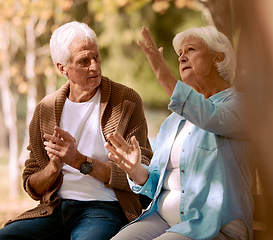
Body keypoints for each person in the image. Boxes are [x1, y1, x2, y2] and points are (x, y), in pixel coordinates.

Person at [0, 21, 152, 240]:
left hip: (105, 209)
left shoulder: (126, 101)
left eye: (96, 57)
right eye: (84, 61)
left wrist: (80, 161)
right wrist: (53, 168)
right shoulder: (45, 109)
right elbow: (32, 184)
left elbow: (143, 171)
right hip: (53, 210)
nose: (95, 66)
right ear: (62, 68)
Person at [105, 26, 254, 240]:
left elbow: (210, 117)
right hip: (162, 219)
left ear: (217, 57)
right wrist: (135, 170)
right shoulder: (173, 121)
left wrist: (161, 73)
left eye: (190, 49)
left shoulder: (240, 106)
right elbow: (156, 182)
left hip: (213, 225)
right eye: (180, 54)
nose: (182, 57)